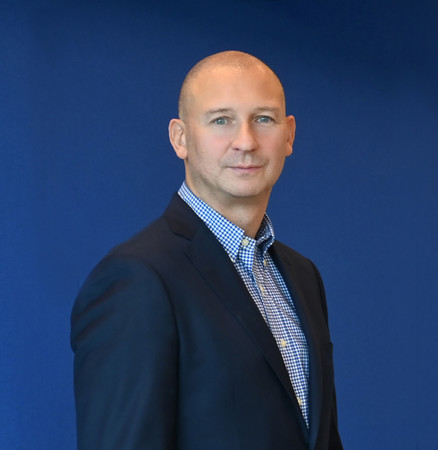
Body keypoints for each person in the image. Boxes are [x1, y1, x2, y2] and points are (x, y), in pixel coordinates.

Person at [71, 50, 343, 450]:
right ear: (180, 138)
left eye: (263, 119)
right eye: (221, 120)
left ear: (288, 135)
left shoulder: (303, 276)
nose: (246, 142)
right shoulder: (137, 280)